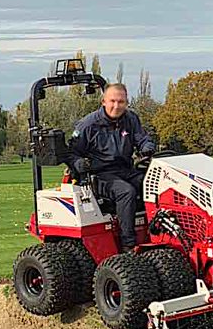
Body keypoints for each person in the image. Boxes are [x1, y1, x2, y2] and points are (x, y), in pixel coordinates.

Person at [65, 83, 156, 250]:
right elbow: (71, 154)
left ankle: (156, 234)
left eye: (121, 102)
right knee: (126, 192)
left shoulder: (131, 119)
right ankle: (128, 244)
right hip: (99, 174)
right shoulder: (88, 125)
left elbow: (141, 138)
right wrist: (78, 163)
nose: (116, 106)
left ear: (126, 103)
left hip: (126, 169)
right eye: (112, 101)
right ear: (103, 102)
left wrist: (147, 146)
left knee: (155, 184)